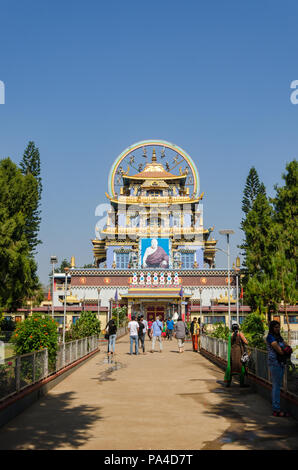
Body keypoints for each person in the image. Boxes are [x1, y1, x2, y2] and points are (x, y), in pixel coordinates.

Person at [266, 320, 291, 417]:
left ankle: (276, 407)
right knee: (276, 387)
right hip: (275, 364)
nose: (277, 329)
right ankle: (276, 410)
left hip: (280, 363)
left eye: (278, 327)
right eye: (275, 327)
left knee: (277, 386)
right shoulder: (270, 337)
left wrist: (287, 349)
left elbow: (287, 345)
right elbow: (280, 351)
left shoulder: (278, 337)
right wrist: (286, 350)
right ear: (272, 328)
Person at [224, 322, 249, 387]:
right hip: (239, 352)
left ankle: (228, 383)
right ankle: (241, 384)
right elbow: (246, 342)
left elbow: (230, 344)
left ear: (232, 329)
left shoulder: (230, 335)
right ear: (238, 328)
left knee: (232, 367)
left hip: (232, 352)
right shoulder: (240, 334)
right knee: (241, 367)